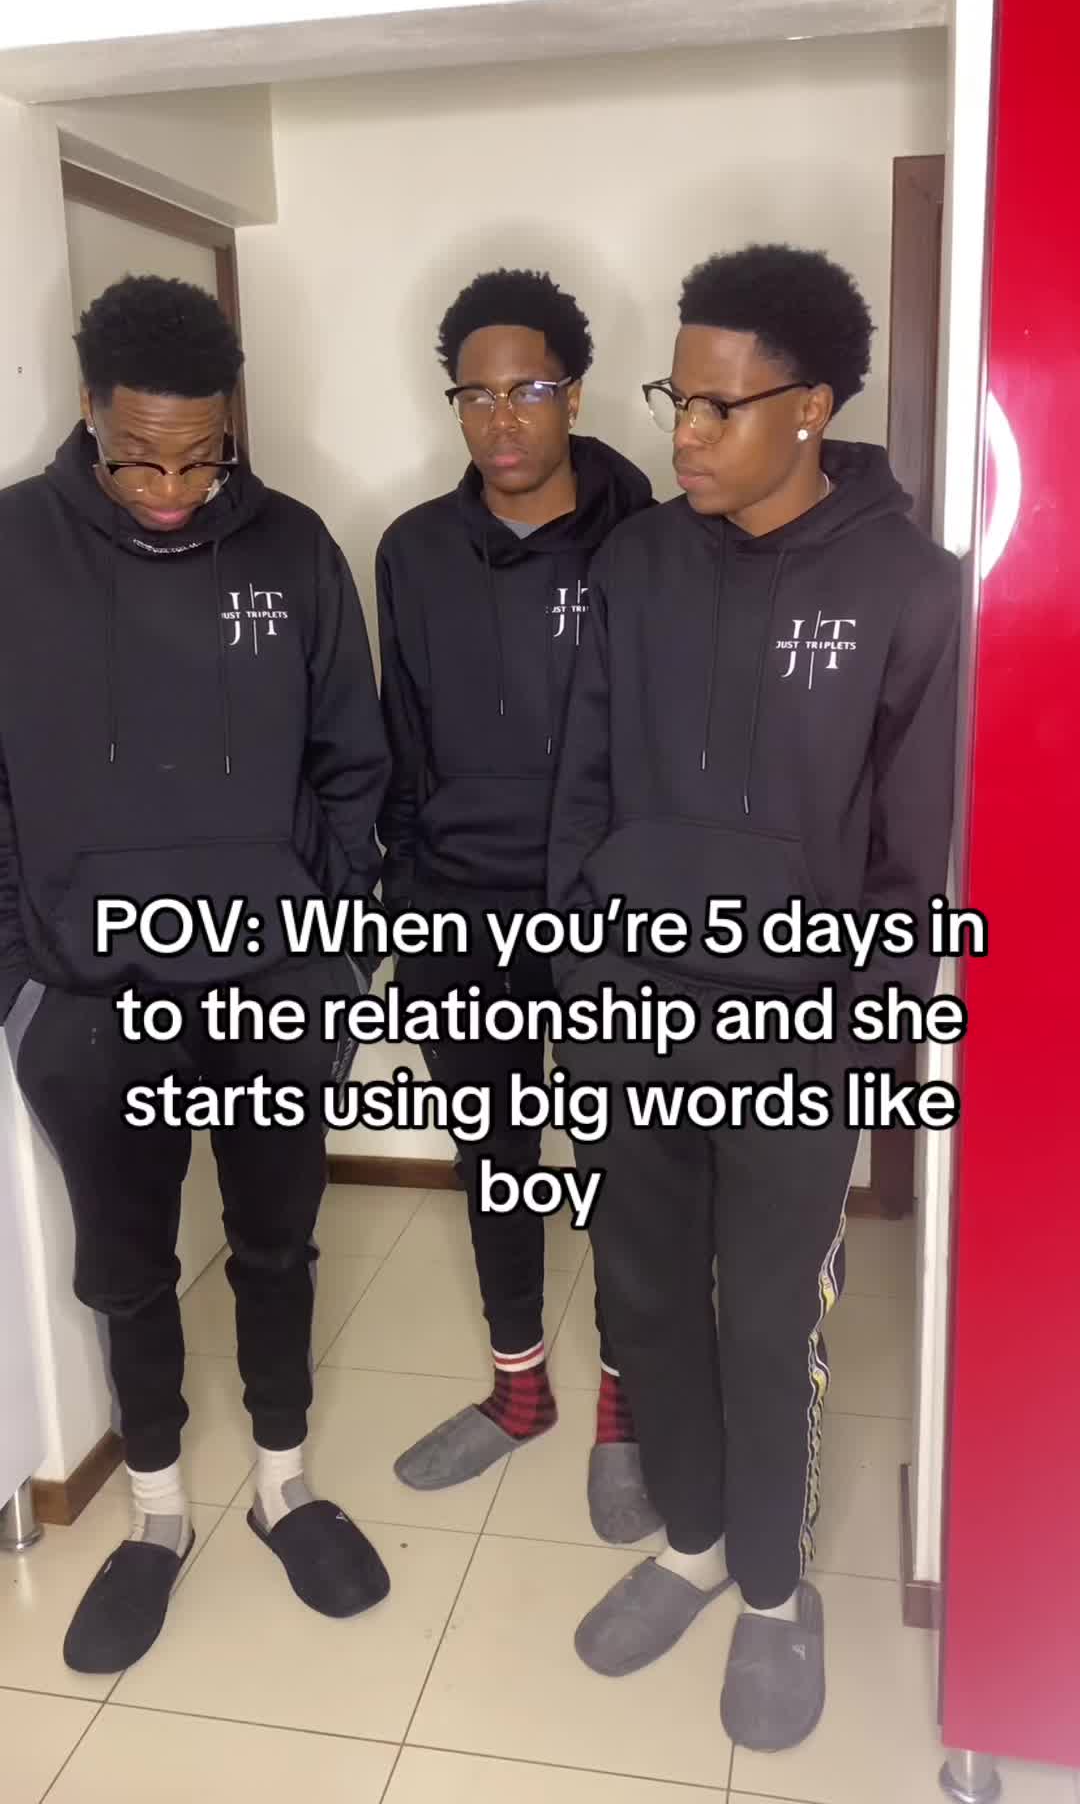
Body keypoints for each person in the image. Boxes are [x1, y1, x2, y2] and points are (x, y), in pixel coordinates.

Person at [548, 244, 962, 1750]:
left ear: (814, 406)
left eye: (722, 407)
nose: (688, 434)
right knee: (650, 1297)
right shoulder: (635, 565)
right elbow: (582, 790)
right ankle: (696, 1544)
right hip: (630, 1016)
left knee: (770, 1320)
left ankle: (778, 1596)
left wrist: (861, 1040)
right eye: (678, 400)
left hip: (797, 1031)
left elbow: (915, 854)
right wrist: (579, 983)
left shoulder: (910, 590)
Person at [0, 276, 392, 1673]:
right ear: (89, 413)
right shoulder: (13, 551)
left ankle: (284, 1483)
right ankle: (157, 1513)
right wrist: (23, 979)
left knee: (277, 1243)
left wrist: (328, 951)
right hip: (89, 997)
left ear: (231, 425)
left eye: (200, 458)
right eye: (139, 458)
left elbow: (353, 762)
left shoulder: (293, 550)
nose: (170, 489)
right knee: (126, 1268)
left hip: (273, 987)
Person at [376, 267, 658, 1542]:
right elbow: (399, 741)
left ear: (574, 394)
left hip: (607, 921)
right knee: (493, 1160)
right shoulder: (412, 551)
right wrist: (405, 905)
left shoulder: (650, 539)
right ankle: (519, 1391)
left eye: (528, 390)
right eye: (476, 394)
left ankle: (623, 1410)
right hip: (461, 916)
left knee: (620, 1172)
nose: (501, 418)